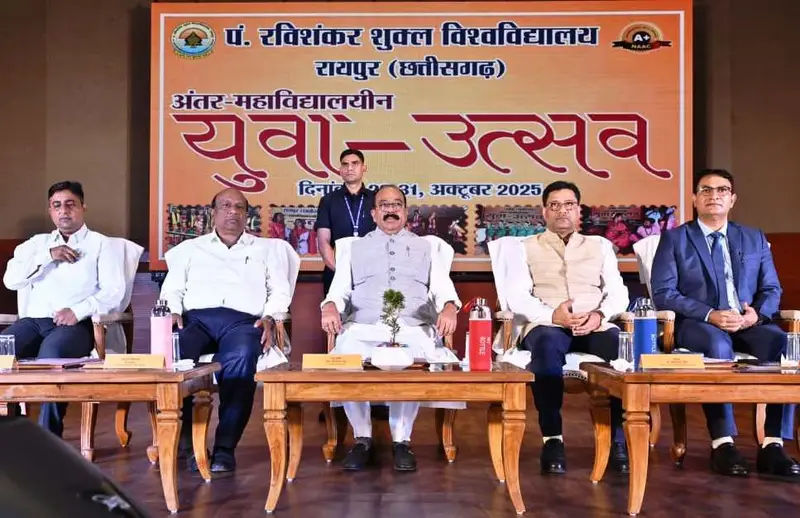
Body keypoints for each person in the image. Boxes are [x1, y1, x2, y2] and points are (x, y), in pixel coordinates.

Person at [651, 168, 799, 478]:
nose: (714, 195)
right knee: (717, 345)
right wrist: (710, 314)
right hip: (699, 323)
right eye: (706, 190)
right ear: (694, 199)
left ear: (732, 199)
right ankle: (723, 443)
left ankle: (773, 444)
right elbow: (664, 293)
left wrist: (756, 315)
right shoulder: (675, 239)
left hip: (748, 322)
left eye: (722, 190)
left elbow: (771, 288)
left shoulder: (753, 237)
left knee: (783, 345)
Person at [320, 185, 460, 472]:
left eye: (397, 204)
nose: (391, 210)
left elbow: (442, 287)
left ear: (405, 213)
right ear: (374, 213)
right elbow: (339, 290)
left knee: (411, 355)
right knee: (346, 351)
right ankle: (362, 437)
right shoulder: (353, 248)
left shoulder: (427, 247)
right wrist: (330, 306)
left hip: (411, 325)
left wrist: (449, 306)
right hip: (364, 325)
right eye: (384, 205)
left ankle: (401, 440)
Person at [160, 188, 292, 473]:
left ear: (247, 214)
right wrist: (173, 310)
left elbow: (280, 291)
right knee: (175, 351)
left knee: (243, 356)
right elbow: (172, 289)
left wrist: (270, 316)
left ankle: (225, 448)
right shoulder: (190, 249)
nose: (233, 212)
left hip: (242, 323)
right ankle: (187, 445)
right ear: (213, 212)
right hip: (195, 321)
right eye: (226, 206)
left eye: (239, 207)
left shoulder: (265, 250)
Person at [502, 181, 630, 475]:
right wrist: (553, 315)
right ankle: (552, 439)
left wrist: (599, 315)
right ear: (544, 211)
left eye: (569, 204)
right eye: (555, 205)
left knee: (621, 351)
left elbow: (618, 292)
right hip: (547, 323)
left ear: (578, 210)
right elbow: (517, 296)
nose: (562, 211)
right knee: (547, 347)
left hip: (593, 324)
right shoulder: (524, 247)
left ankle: (618, 440)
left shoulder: (600, 246)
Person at [2, 181, 125, 436]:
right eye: (57, 205)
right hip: (33, 322)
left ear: (83, 207)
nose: (64, 211)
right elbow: (10, 281)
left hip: (75, 325)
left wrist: (77, 311)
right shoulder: (36, 244)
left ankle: (48, 438)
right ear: (50, 210)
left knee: (53, 356)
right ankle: (10, 433)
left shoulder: (101, 244)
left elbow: (114, 292)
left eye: (70, 204)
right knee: (2, 352)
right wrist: (48, 255)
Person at [315, 149, 377, 297]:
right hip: (336, 274)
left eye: (355, 163)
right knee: (336, 312)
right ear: (340, 170)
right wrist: (341, 272)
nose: (349, 168)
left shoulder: (376, 199)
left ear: (364, 168)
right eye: (345, 164)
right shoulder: (328, 201)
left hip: (372, 275)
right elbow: (323, 241)